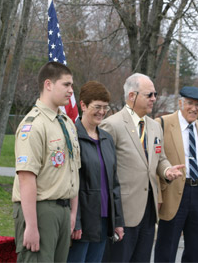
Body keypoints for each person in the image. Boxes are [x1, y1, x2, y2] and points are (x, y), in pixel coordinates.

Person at [100, 73, 184, 262]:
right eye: (150, 95)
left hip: (148, 212)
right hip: (123, 213)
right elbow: (104, 172)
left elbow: (160, 158)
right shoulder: (111, 125)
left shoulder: (154, 126)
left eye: (154, 94)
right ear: (132, 96)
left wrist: (166, 170)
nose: (154, 98)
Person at [12, 62, 80, 262]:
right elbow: (26, 178)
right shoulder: (33, 125)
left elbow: (73, 170)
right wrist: (31, 227)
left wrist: (72, 212)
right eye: (66, 85)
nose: (71, 91)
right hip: (40, 211)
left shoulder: (66, 123)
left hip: (62, 210)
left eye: (71, 85)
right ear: (48, 84)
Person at [154, 86, 198, 263]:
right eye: (190, 103)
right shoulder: (162, 123)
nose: (194, 108)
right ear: (180, 103)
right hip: (173, 191)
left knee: (195, 248)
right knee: (166, 247)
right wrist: (158, 197)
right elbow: (154, 164)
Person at [67, 81, 125, 262]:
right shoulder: (72, 137)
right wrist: (75, 221)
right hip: (82, 222)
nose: (101, 112)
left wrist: (117, 221)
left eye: (105, 107)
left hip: (103, 221)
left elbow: (114, 184)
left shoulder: (107, 138)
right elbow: (70, 183)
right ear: (83, 105)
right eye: (97, 106)